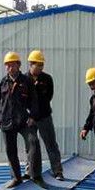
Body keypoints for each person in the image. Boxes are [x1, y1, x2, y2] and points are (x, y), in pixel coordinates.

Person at [0, 52, 46, 188]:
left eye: (13, 65)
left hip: (24, 120)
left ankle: (36, 176)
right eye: (8, 65)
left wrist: (32, 116)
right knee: (10, 150)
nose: (10, 68)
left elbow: (34, 101)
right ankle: (16, 178)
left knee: (33, 142)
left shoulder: (27, 81)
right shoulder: (1, 83)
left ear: (19, 65)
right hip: (6, 120)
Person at [26, 50, 64, 181]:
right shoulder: (24, 79)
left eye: (42, 65)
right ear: (31, 64)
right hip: (29, 118)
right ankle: (29, 170)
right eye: (38, 65)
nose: (41, 68)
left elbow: (49, 96)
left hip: (44, 117)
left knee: (51, 144)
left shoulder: (47, 79)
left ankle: (57, 171)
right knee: (30, 145)